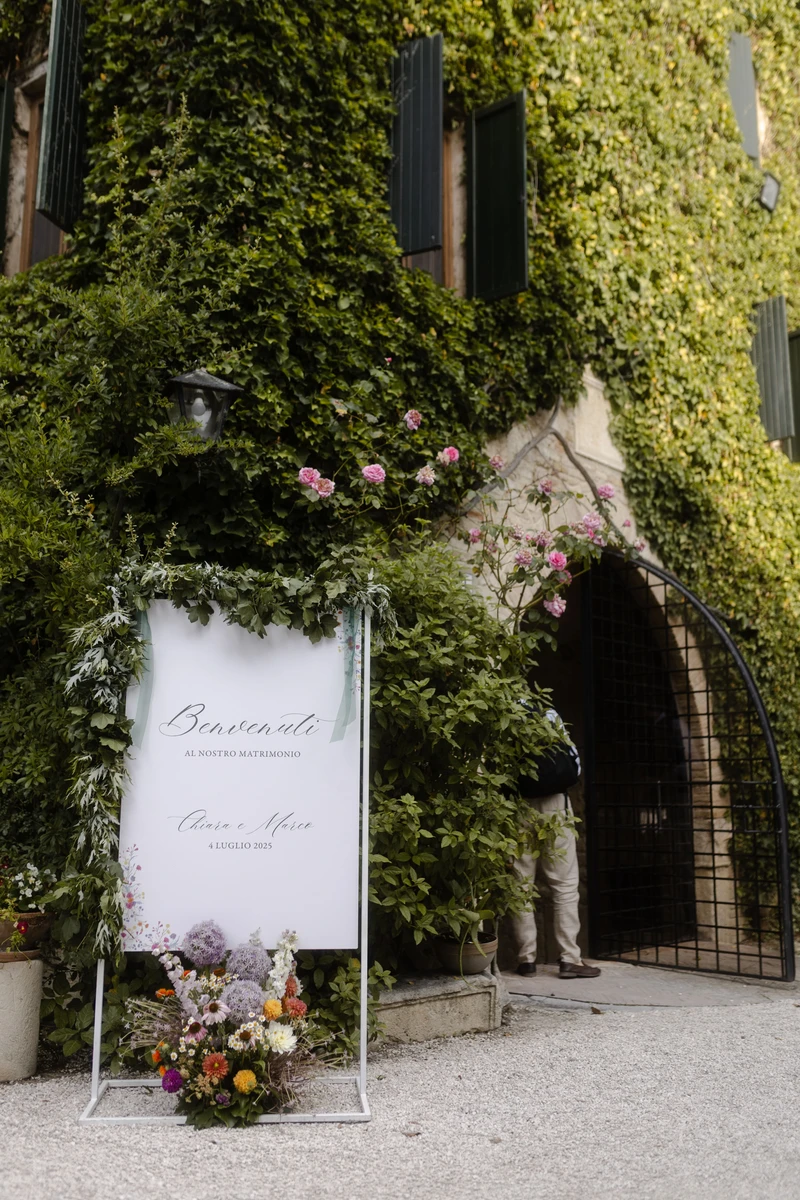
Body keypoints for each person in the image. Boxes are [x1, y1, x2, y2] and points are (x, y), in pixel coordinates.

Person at [510, 705, 601, 980]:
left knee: (520, 886)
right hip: (554, 805)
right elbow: (573, 760)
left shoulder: (500, 712)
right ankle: (570, 959)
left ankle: (526, 960)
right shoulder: (546, 712)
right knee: (564, 885)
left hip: (516, 807)